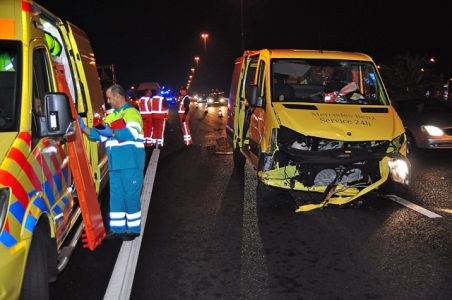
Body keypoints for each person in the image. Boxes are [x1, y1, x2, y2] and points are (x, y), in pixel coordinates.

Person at [79, 84, 145, 241]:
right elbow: (100, 136)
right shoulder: (111, 116)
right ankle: (117, 229)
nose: (108, 101)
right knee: (116, 197)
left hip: (131, 163)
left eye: (109, 97)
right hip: (115, 164)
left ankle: (133, 229)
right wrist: (84, 129)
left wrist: (112, 132)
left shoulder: (131, 113)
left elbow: (132, 133)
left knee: (130, 196)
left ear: (118, 96)